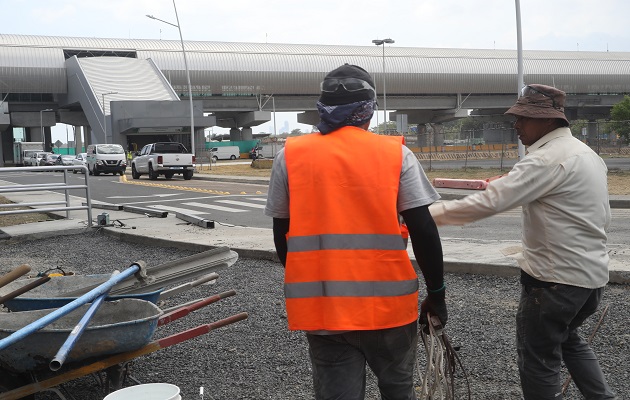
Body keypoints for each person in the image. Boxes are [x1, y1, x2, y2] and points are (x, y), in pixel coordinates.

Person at [264, 63, 447, 400]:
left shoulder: (290, 156)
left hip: (325, 312)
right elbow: (423, 229)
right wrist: (437, 293)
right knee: (397, 391)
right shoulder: (396, 155)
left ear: (322, 107)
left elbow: (282, 233)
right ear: (369, 110)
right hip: (390, 309)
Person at [429, 84, 616, 399]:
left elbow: (489, 203)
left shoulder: (544, 160)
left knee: (539, 360)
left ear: (548, 122)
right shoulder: (586, 154)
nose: (515, 124)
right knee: (568, 338)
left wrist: (424, 216)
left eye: (524, 118)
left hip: (554, 283)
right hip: (591, 279)